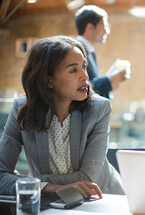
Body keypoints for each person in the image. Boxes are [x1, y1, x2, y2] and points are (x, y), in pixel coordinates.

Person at [0, 36, 124, 198]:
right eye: (73, 70)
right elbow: (1, 174)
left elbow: (87, 178)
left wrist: (31, 182)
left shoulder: (99, 108)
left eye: (84, 67)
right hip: (51, 205)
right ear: (48, 80)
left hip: (102, 200)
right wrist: (48, 187)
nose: (85, 76)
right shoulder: (22, 109)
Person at [75, 5, 127, 99]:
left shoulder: (90, 51)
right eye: (104, 25)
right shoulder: (76, 50)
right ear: (90, 27)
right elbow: (79, 87)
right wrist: (109, 80)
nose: (107, 31)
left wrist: (110, 84)